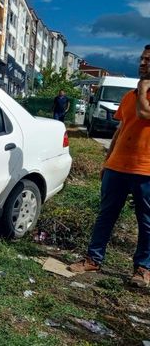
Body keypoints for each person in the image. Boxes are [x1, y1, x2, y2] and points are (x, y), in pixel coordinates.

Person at [68, 44, 150, 288]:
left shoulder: (141, 95)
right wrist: (107, 161)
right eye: (142, 58)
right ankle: (93, 258)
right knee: (106, 215)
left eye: (149, 60)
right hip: (117, 168)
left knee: (146, 221)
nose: (143, 63)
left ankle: (143, 268)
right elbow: (121, 129)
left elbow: (145, 114)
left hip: (146, 170)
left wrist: (144, 88)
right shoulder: (129, 97)